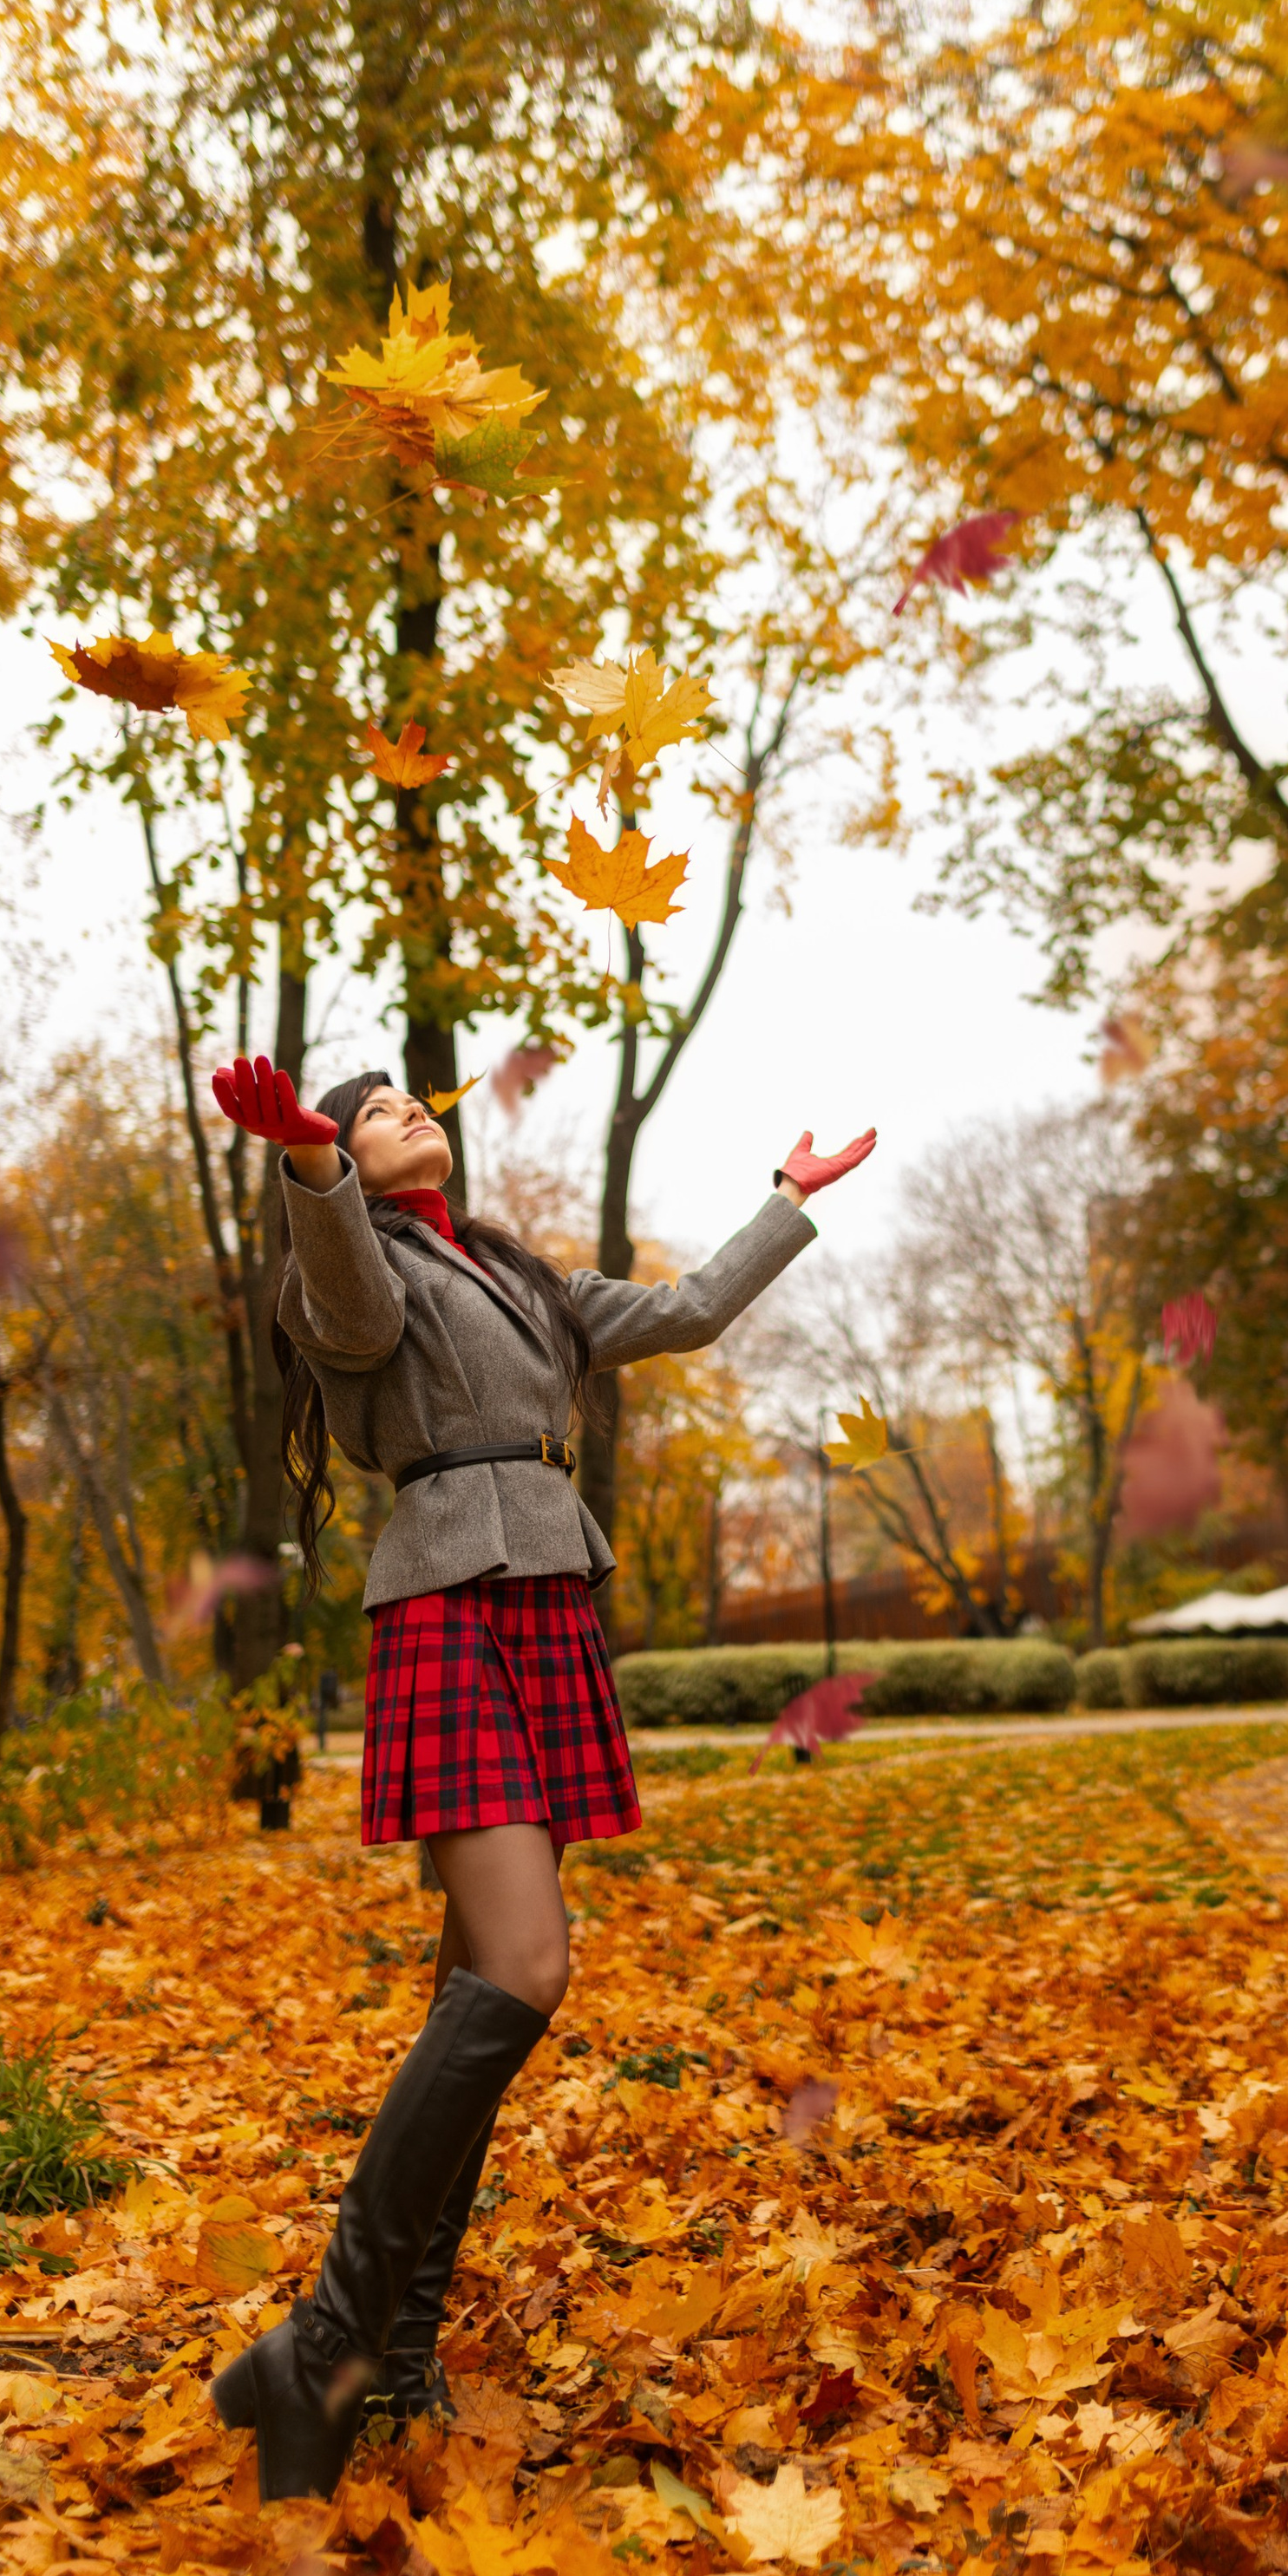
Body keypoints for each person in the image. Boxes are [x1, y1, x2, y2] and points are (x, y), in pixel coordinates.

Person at [202, 1056, 875, 2501]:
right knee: (520, 1970)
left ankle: (392, 2349)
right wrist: (312, 1169)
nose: (406, 1116)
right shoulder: (353, 1277)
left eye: (409, 1106)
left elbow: (682, 1311)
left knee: (475, 1990)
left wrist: (782, 1202)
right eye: (373, 1111)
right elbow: (352, 1299)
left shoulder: (517, 1272)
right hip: (448, 1596)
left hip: (548, 1595)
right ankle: (319, 2346)